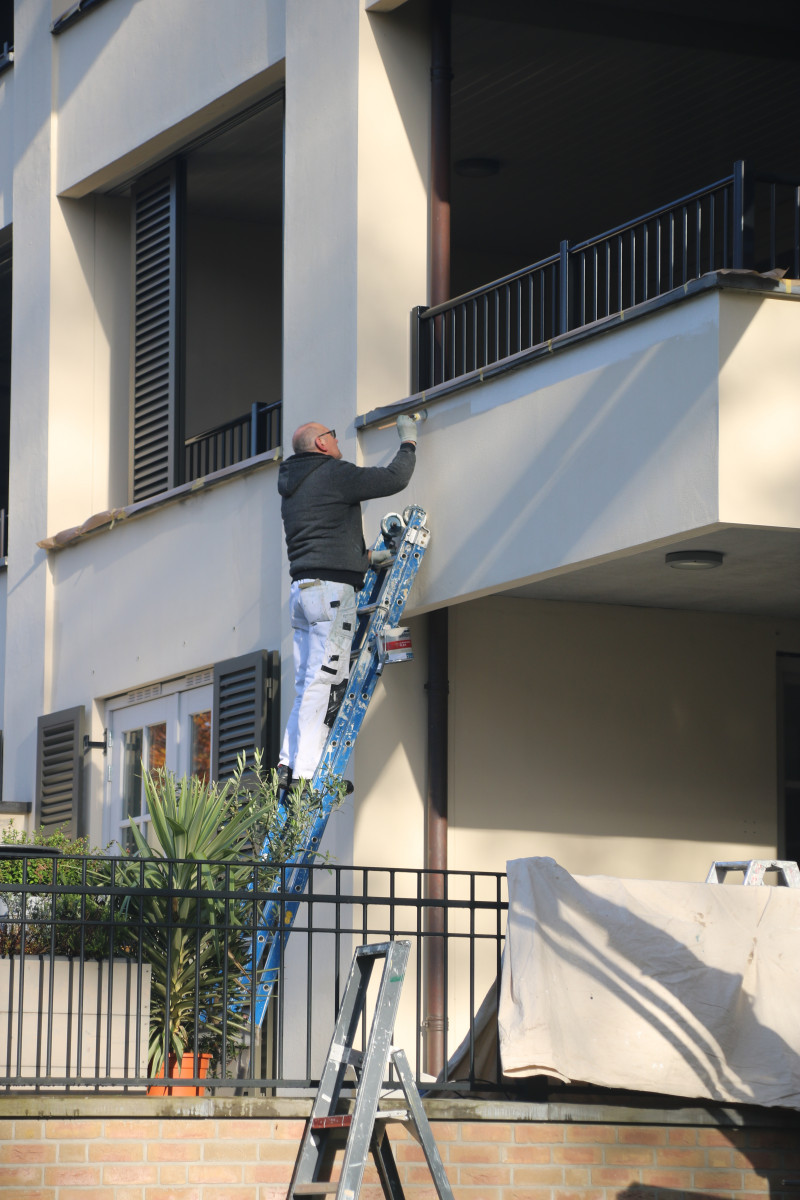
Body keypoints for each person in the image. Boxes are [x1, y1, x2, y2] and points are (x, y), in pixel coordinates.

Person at [276, 414, 420, 790]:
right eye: (333, 436)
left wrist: (367, 559)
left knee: (307, 682)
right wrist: (409, 442)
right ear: (321, 444)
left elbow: (322, 537)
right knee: (325, 680)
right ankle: (307, 775)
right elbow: (394, 478)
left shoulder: (294, 486)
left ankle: (288, 766)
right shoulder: (333, 473)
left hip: (303, 592)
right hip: (332, 596)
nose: (338, 442)